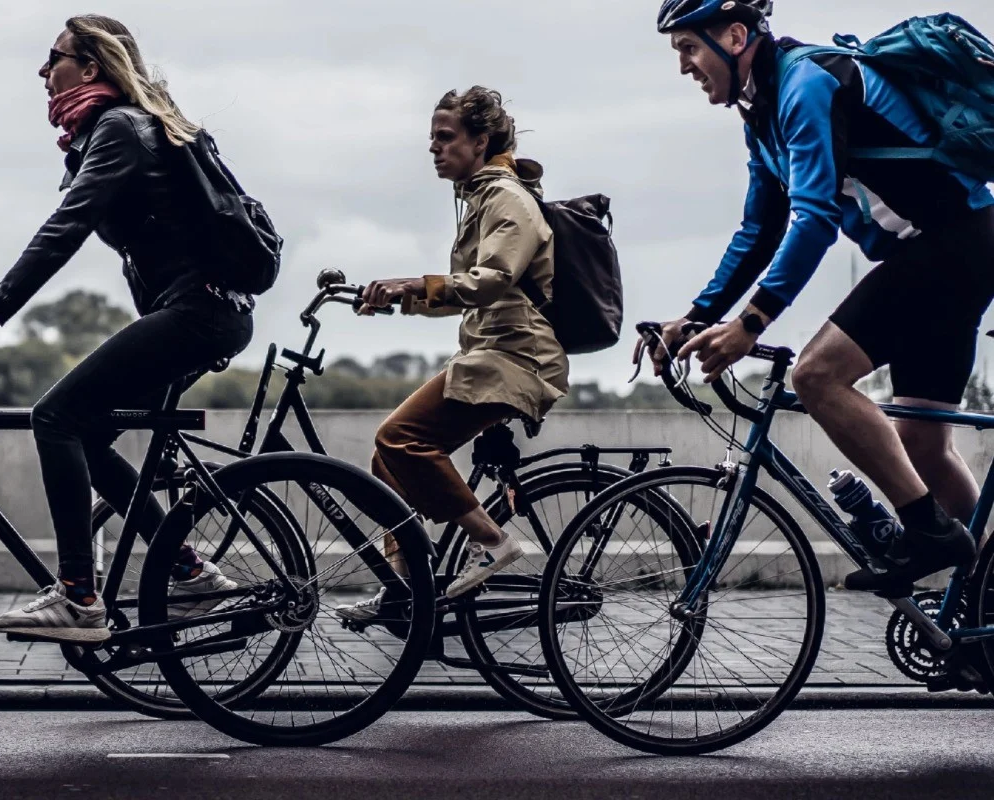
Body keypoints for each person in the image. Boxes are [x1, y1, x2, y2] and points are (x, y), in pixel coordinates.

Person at [645, 0, 994, 596]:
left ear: (735, 35)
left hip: (952, 246)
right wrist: (698, 315)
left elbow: (813, 219)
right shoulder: (762, 111)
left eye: (688, 48)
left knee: (817, 375)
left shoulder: (807, 83)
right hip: (944, 252)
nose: (684, 66)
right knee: (923, 445)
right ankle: (986, 606)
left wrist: (752, 322)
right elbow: (760, 229)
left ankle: (928, 535)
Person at [0, 15, 254, 642]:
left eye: (52, 58)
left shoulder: (119, 129)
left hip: (199, 311)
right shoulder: (120, 129)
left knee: (53, 416)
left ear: (90, 68)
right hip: (208, 311)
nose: (40, 71)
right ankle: (188, 571)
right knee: (87, 434)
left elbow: (68, 225)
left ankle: (80, 598)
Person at [338, 86, 569, 619]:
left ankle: (492, 542)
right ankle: (405, 590)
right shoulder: (484, 199)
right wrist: (401, 298)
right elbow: (468, 290)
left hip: (516, 358)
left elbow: (492, 280)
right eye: (432, 139)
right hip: (494, 352)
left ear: (480, 141)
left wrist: (413, 282)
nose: (434, 149)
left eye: (445, 138)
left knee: (399, 437)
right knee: (388, 460)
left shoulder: (508, 199)